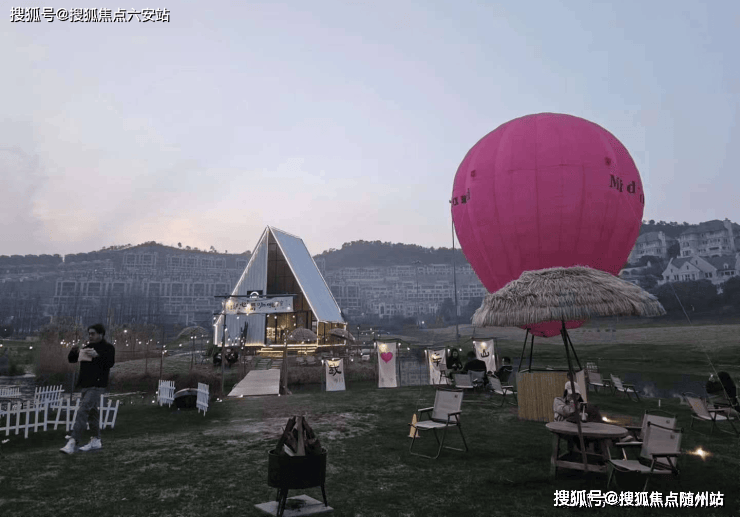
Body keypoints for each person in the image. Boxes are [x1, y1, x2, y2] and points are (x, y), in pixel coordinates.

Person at [60, 323, 116, 454]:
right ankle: (96, 440)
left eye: (93, 334)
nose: (90, 336)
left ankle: (73, 441)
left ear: (101, 334)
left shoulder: (108, 348)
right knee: (92, 413)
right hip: (85, 384)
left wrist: (98, 355)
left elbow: (110, 363)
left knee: (83, 410)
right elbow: (73, 360)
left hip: (97, 385)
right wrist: (73, 351)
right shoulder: (87, 348)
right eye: (89, 334)